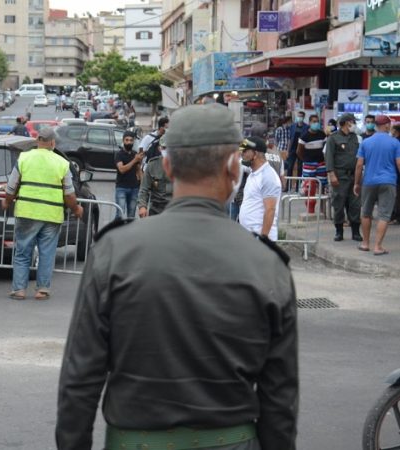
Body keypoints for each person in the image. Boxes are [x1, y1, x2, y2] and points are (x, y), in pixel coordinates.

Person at [56, 103, 298, 450]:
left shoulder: (115, 251)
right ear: (234, 168)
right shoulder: (267, 263)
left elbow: (80, 378)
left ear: (167, 166)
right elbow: (280, 395)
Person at [2, 128, 83, 300]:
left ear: (37, 141)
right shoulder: (62, 163)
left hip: (27, 212)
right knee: (47, 252)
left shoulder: (24, 158)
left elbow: (11, 186)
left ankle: (19, 290)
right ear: (53, 143)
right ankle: (42, 289)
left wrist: (7, 202)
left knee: (23, 251)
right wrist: (76, 209)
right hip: (51, 215)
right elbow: (69, 193)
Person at [354, 114, 400, 255]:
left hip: (369, 182)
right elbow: (399, 163)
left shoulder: (366, 142)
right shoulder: (395, 143)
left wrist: (356, 183)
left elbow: (359, 164)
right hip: (388, 182)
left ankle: (365, 243)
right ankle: (378, 246)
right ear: (386, 125)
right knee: (384, 215)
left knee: (366, 213)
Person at [325, 113, 362, 241]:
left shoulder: (356, 138)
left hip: (355, 177)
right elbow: (329, 157)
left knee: (355, 204)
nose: (355, 125)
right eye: (353, 122)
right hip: (340, 176)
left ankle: (356, 231)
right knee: (339, 204)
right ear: (347, 123)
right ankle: (339, 231)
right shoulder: (333, 138)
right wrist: (331, 174)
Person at [239, 136, 282, 241]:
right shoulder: (253, 174)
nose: (242, 154)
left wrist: (263, 239)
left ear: (256, 153)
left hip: (260, 239)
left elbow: (270, 210)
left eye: (245, 151)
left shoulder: (268, 177)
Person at [297, 114, 328, 215]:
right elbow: (299, 151)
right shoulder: (304, 136)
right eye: (314, 121)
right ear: (309, 123)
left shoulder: (322, 134)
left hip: (321, 163)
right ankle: (310, 208)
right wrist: (306, 160)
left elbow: (325, 148)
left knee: (322, 186)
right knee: (309, 187)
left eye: (317, 121)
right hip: (309, 164)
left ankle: (323, 210)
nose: (316, 123)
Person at [114, 131, 144, 219]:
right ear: (123, 141)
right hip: (121, 188)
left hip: (134, 188)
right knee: (119, 214)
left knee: (131, 215)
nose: (129, 142)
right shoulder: (119, 154)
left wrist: (142, 185)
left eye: (131, 140)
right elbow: (122, 169)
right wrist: (135, 160)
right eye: (127, 140)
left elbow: (138, 171)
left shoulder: (135, 154)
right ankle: (116, 231)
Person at [137, 144, 171, 217]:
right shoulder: (152, 165)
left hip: (175, 209)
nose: (167, 150)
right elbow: (144, 188)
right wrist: (142, 206)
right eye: (164, 148)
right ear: (160, 148)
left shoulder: (182, 165)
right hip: (156, 209)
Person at [285, 111, 307, 187]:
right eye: (298, 116)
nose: (299, 118)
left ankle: (298, 186)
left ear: (303, 117)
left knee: (300, 168)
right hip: (292, 149)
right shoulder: (293, 126)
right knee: (290, 167)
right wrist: (288, 150)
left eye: (301, 116)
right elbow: (289, 139)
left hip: (301, 150)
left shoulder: (306, 127)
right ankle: (288, 186)